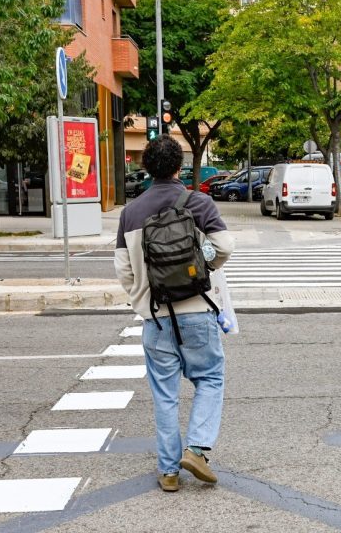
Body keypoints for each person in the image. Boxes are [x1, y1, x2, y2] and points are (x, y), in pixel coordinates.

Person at [114, 135, 235, 492]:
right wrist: (203, 266)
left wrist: (143, 294)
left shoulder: (130, 213)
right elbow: (225, 247)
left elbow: (123, 270)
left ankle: (168, 471)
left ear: (145, 168)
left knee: (165, 395)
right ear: (179, 167)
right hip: (197, 310)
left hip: (156, 316)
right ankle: (196, 449)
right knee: (210, 379)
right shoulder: (199, 203)